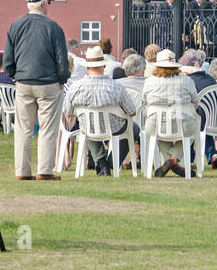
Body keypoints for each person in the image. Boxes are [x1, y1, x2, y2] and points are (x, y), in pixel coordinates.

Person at [3, 0, 70, 181]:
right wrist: (62, 78)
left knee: (23, 129)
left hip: (23, 82)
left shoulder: (15, 26)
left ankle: (22, 171)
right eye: (48, 2)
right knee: (47, 129)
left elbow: (8, 57)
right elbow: (61, 59)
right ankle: (44, 170)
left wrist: (13, 75)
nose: (49, 5)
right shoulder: (53, 27)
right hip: (48, 83)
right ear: (42, 4)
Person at [62, 46, 138, 175]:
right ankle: (112, 162)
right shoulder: (116, 86)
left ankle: (102, 163)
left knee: (87, 124)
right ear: (103, 66)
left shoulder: (76, 87)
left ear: (87, 67)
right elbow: (132, 111)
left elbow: (68, 112)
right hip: (115, 128)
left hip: (89, 128)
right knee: (134, 128)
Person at [141, 49, 201, 177]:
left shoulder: (149, 81)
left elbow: (145, 103)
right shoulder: (186, 81)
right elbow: (196, 103)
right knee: (191, 132)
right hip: (183, 124)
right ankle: (173, 160)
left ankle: (170, 161)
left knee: (156, 132)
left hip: (156, 124)